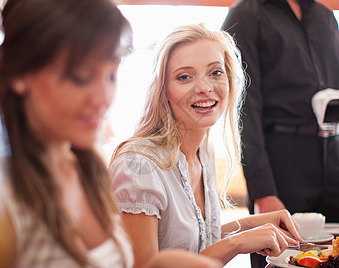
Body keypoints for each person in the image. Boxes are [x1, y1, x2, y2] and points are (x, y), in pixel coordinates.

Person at [0, 0, 222, 268]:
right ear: (20, 75)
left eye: (111, 75)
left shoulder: (87, 169)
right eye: (81, 77)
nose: (103, 97)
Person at [221, 0, 339, 267]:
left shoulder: (323, 15)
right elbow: (243, 111)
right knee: (281, 258)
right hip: (281, 161)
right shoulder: (243, 16)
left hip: (335, 155)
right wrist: (263, 190)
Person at [109, 23, 302, 267]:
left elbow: (192, 243)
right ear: (163, 90)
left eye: (215, 73)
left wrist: (252, 225)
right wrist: (236, 244)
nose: (204, 88)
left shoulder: (202, 152)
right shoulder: (137, 165)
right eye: (184, 77)